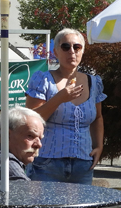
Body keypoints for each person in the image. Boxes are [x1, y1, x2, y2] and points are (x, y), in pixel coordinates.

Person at [25, 28, 105, 185]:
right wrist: (59, 98)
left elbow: (97, 117)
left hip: (83, 163)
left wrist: (99, 146)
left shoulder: (93, 82)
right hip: (47, 162)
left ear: (82, 51)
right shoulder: (43, 80)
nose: (72, 51)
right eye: (66, 47)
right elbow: (30, 121)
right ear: (56, 51)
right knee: (44, 202)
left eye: (77, 47)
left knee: (81, 203)